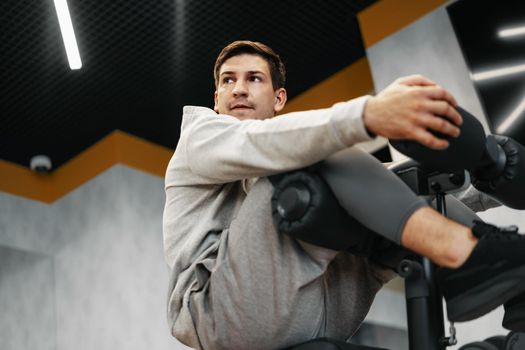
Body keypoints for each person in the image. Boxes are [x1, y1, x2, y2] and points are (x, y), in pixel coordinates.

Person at [163, 40, 525, 350]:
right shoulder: (201, 136)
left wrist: (490, 176)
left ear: (279, 97)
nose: (238, 89)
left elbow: (389, 194)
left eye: (253, 79)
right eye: (228, 81)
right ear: (216, 98)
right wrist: (368, 114)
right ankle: (467, 254)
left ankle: (505, 273)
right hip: (221, 313)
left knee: (390, 193)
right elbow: (264, 142)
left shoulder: (286, 159)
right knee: (311, 154)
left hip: (319, 311)